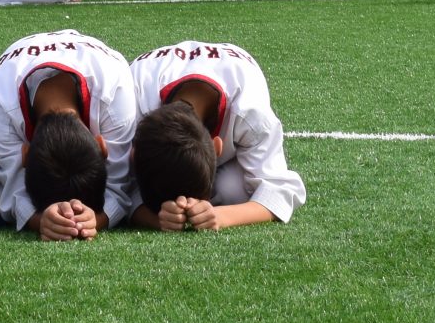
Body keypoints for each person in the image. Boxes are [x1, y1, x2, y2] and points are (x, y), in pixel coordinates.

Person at [0, 28, 138, 241]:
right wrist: (42, 220)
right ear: (101, 145)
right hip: (18, 59)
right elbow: (11, 193)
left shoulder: (115, 89)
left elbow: (121, 187)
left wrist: (95, 220)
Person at [129, 40, 305, 232]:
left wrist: (221, 217)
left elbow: (280, 190)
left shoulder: (250, 110)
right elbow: (119, 182)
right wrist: (153, 217)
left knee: (232, 189)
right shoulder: (131, 100)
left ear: (217, 147)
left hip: (234, 138)